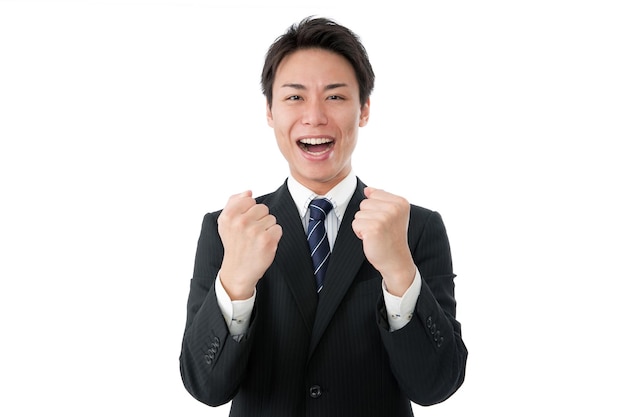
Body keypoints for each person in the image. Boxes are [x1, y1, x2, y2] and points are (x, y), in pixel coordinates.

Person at [180, 16, 467, 416]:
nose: (314, 116)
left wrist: (401, 272)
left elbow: (436, 385)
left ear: (364, 109)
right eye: (294, 97)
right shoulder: (229, 228)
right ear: (269, 111)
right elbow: (205, 387)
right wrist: (236, 283)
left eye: (335, 97)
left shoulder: (416, 228)